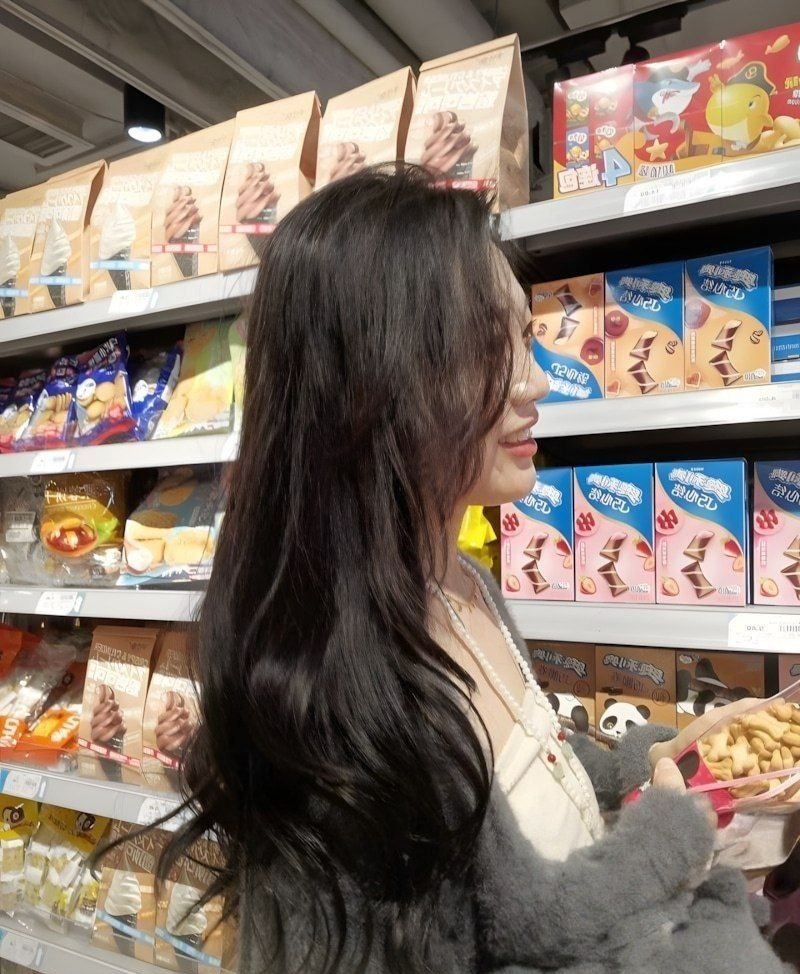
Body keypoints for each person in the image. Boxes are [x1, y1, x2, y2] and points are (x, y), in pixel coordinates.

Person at [162, 166, 790, 973]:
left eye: (525, 337)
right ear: (373, 380)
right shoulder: (350, 691)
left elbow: (524, 784)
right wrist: (673, 835)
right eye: (488, 346)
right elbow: (514, 928)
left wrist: (656, 761)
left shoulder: (463, 584)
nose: (537, 381)